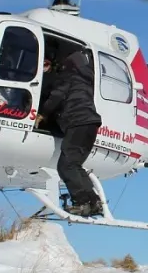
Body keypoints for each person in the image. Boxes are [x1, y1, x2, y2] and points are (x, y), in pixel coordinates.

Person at [35, 48, 103, 216]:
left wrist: (42, 114)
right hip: (91, 124)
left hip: (78, 123)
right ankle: (94, 203)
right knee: (75, 165)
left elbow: (56, 96)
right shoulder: (84, 80)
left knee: (65, 166)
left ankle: (81, 202)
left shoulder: (66, 77)